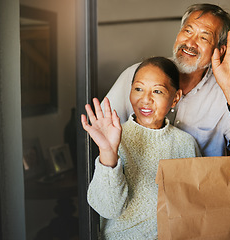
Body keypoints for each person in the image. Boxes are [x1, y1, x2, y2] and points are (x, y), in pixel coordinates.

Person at [103, 3, 230, 189]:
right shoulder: (136, 76)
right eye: (188, 31)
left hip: (196, 199)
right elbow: (103, 135)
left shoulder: (225, 91)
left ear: (220, 49)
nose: (190, 43)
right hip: (135, 192)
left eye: (204, 37)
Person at [81, 57, 202, 239]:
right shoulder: (115, 139)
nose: (145, 99)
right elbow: (108, 209)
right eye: (138, 89)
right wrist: (108, 152)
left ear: (175, 98)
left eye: (157, 91)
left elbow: (198, 205)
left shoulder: (186, 144)